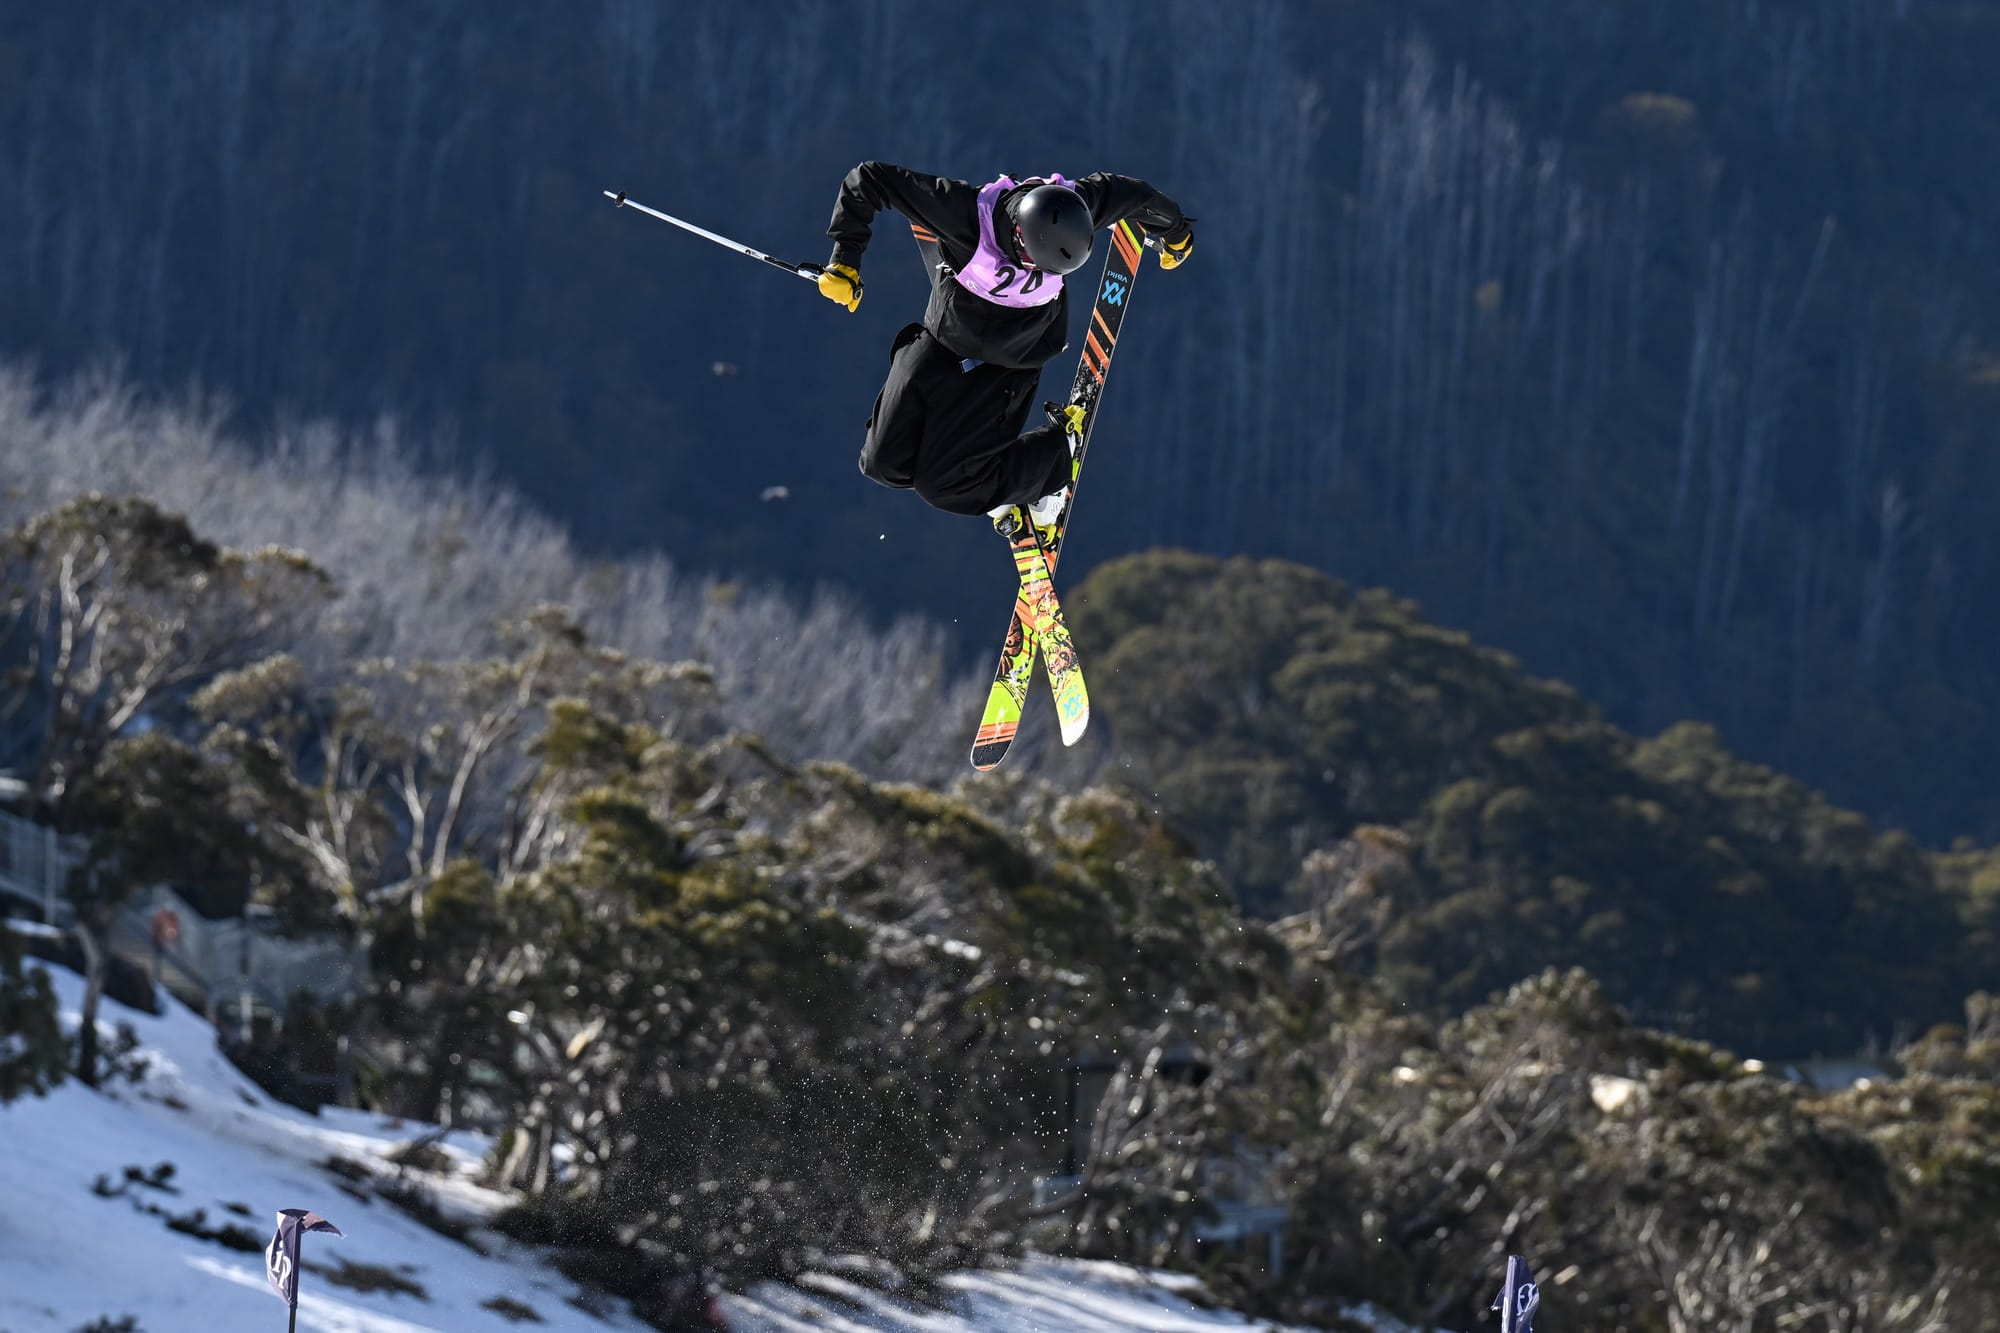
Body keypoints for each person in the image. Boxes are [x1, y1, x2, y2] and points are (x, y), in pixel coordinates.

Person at [819, 162, 1194, 528]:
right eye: (1033, 262)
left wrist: (1175, 231)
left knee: (945, 487)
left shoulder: (1073, 204)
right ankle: (992, 475)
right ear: (1017, 233)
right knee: (882, 463)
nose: (1036, 272)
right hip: (941, 343)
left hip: (1006, 366)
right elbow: (867, 179)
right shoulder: (965, 213)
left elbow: (1138, 196)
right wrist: (844, 263)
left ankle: (1051, 459)